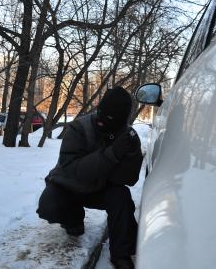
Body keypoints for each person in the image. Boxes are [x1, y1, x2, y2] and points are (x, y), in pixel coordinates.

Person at [36, 87, 142, 269]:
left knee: (121, 198)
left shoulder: (126, 136)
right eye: (101, 116)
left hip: (99, 188)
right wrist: (112, 154)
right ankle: (74, 218)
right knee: (49, 207)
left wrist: (131, 154)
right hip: (68, 186)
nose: (102, 122)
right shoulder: (79, 128)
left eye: (111, 121)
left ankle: (120, 254)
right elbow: (73, 170)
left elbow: (129, 180)